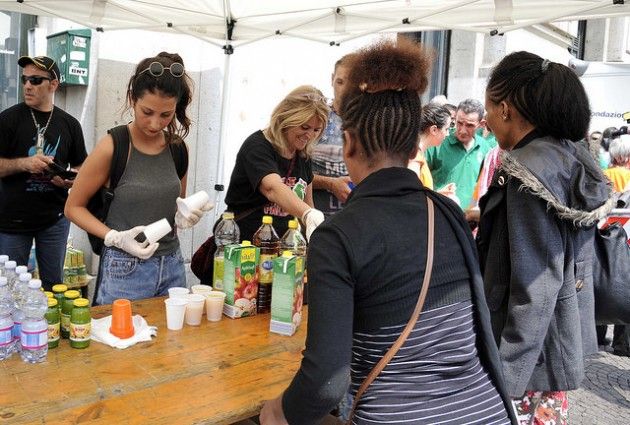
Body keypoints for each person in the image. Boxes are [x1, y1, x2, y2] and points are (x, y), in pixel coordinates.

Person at [261, 37, 515, 425]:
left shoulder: (337, 236)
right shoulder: (447, 212)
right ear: (413, 148)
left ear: (348, 143)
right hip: (484, 411)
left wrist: (278, 412)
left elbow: (326, 381)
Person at [476, 51, 614, 424]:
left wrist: (506, 375)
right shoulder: (567, 154)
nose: (487, 122)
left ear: (505, 109)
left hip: (525, 359)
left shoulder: (527, 172)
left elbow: (536, 285)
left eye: (488, 111)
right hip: (554, 343)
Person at [65, 52, 208, 305]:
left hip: (172, 265)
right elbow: (73, 207)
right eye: (147, 111)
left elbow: (177, 205)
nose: (155, 123)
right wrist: (115, 237)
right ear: (132, 99)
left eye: (166, 115)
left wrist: (184, 216)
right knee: (119, 331)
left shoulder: (178, 149)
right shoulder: (113, 146)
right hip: (124, 268)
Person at [0, 55, 87, 291]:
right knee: (11, 289)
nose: (28, 85)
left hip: (54, 219)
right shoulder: (7, 120)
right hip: (12, 221)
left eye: (36, 80)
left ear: (53, 84)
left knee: (54, 286)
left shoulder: (69, 124)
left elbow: (82, 166)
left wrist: (69, 179)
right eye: (25, 79)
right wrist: (25, 164)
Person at [224, 85, 328, 242]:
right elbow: (272, 188)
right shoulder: (257, 146)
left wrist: (313, 225)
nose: (309, 135)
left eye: (316, 130)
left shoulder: (303, 155)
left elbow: (308, 204)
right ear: (286, 118)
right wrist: (308, 213)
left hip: (283, 248)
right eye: (304, 127)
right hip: (245, 246)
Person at [425, 98, 496, 209]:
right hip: (438, 211)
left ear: (481, 124)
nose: (462, 130)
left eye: (469, 125)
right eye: (459, 123)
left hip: (468, 216)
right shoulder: (438, 143)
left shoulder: (485, 149)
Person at [311, 55, 354, 218]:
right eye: (340, 82)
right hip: (316, 218)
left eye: (351, 83)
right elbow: (292, 173)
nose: (344, 90)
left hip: (356, 220)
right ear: (332, 79)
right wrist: (330, 183)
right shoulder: (316, 119)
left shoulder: (370, 123)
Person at [407, 103, 451, 190]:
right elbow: (410, 193)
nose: (448, 134)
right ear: (434, 130)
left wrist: (439, 194)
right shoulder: (415, 157)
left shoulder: (418, 153)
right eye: (446, 129)